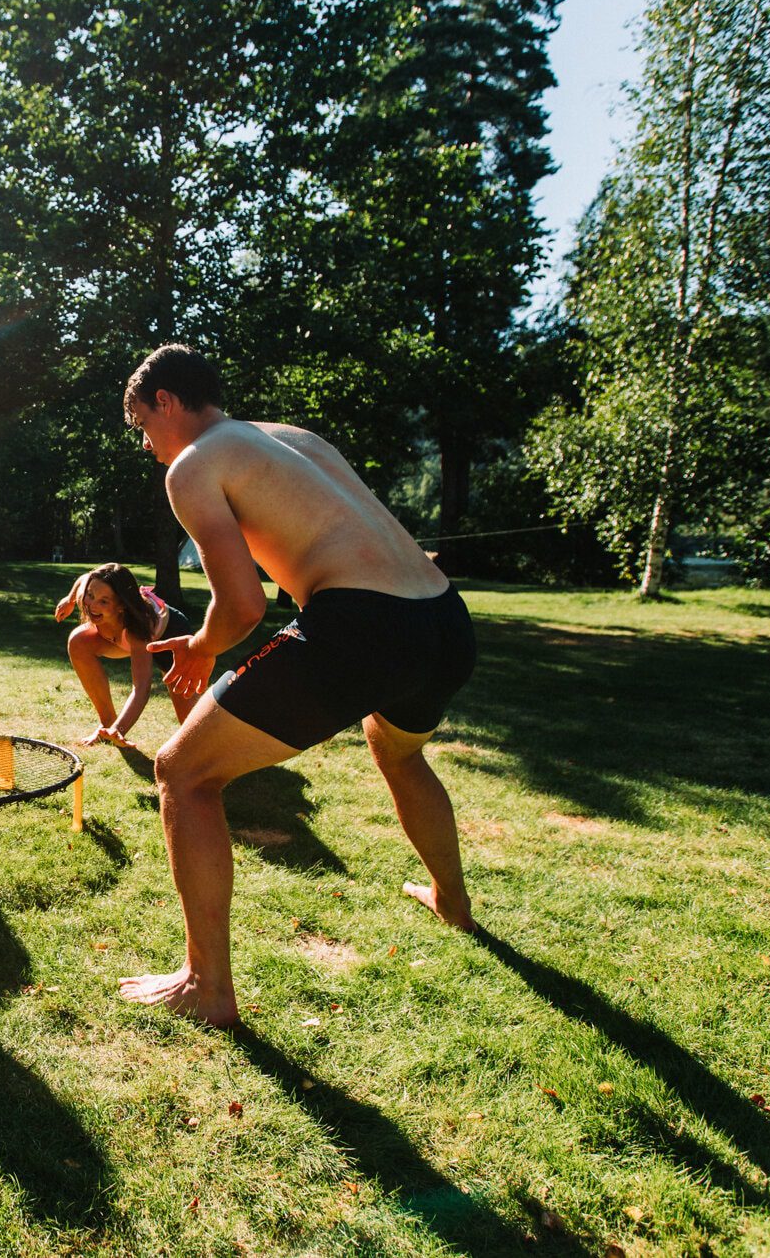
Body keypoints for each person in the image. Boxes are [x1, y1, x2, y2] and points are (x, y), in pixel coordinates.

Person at [117, 344, 476, 1027]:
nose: (147, 446)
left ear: (165, 401)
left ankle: (207, 985)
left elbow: (243, 606)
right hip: (445, 621)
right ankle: (452, 901)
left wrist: (199, 647)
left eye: (142, 426)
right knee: (397, 747)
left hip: (365, 626)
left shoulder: (194, 464)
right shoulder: (290, 437)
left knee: (183, 772)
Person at [52, 562, 198, 746]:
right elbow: (84, 580)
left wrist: (119, 730)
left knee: (192, 726)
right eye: (91, 596)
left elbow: (141, 688)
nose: (92, 606)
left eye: (103, 601)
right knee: (78, 640)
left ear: (121, 606)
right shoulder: (89, 595)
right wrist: (70, 599)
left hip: (171, 636)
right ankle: (107, 724)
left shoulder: (136, 629)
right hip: (121, 636)